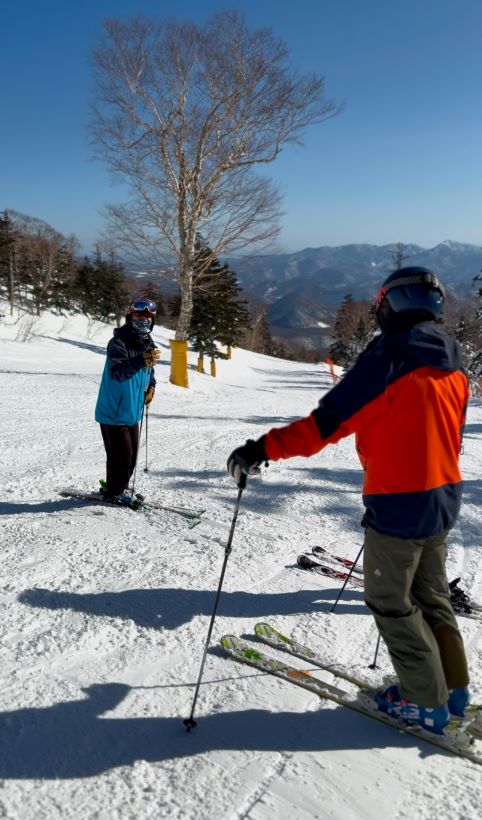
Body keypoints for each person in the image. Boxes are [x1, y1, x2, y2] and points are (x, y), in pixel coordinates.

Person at [227, 267, 470, 735]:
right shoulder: (454, 363)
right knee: (432, 596)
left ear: (390, 305)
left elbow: (325, 425)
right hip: (443, 496)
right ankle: (453, 690)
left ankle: (425, 702)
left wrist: (261, 449)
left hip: (400, 501)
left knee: (390, 600)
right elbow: (449, 433)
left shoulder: (389, 358)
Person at [95, 298, 160, 500]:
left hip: (132, 410)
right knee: (121, 457)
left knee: (131, 457)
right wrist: (141, 360)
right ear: (130, 316)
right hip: (114, 410)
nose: (144, 319)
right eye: (139, 314)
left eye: (148, 316)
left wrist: (151, 387)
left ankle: (118, 488)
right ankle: (114, 492)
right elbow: (118, 373)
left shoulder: (148, 343)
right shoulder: (118, 343)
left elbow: (149, 371)